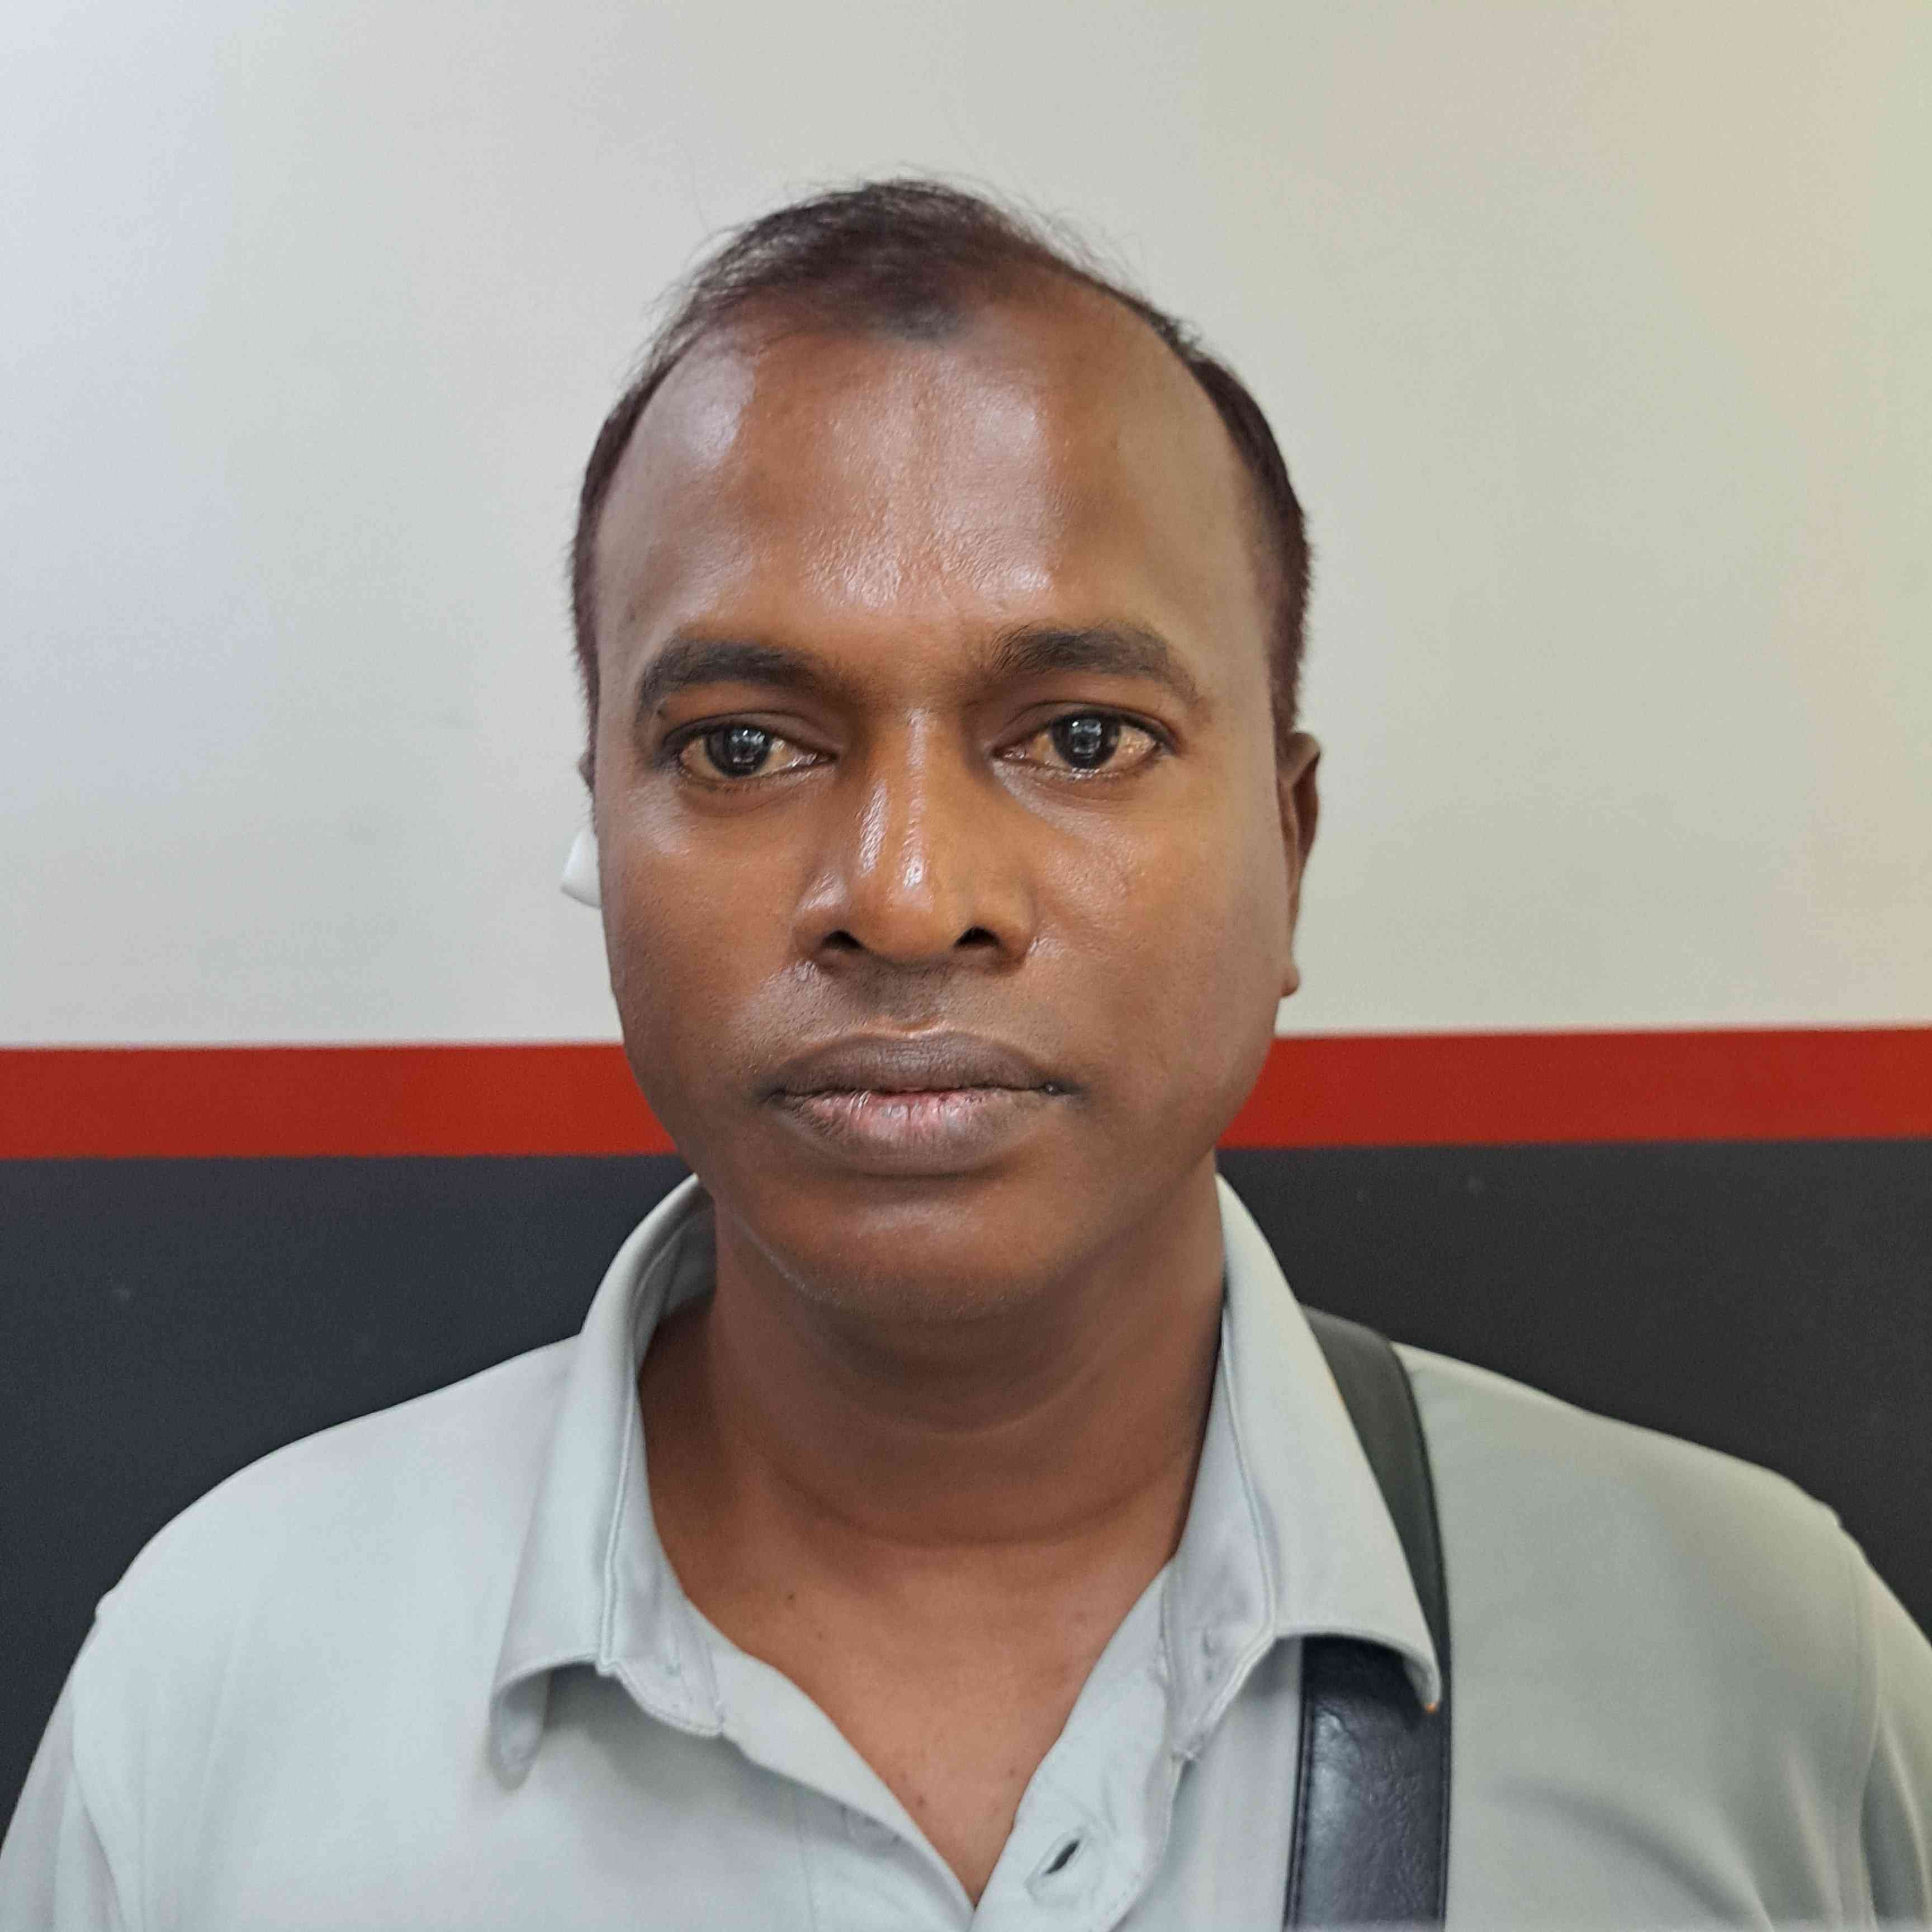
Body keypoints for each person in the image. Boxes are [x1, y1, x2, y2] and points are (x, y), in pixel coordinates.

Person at [3, 178, 1928, 1930]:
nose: (910, 899)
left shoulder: (1764, 1691)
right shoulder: (222, 1698)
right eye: (744, 747)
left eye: (1082, 736)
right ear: (602, 830)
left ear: (1289, 847)